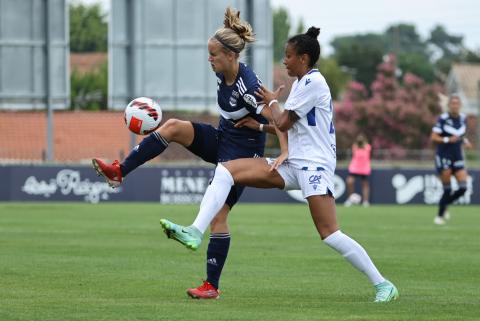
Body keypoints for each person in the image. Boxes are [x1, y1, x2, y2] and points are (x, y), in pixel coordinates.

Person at [160, 27, 399, 302]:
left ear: (304, 59)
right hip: (293, 162)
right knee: (226, 169)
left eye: (288, 56)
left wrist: (272, 101)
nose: (284, 61)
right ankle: (194, 231)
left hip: (314, 167)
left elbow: (283, 121)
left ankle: (383, 284)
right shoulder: (302, 84)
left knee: (330, 234)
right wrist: (259, 127)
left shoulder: (314, 83)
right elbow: (290, 127)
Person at [92, 7, 283, 299]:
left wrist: (277, 145)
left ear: (231, 56)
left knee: (219, 217)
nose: (210, 59)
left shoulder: (249, 86)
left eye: (214, 54)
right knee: (174, 127)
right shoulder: (224, 73)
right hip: (222, 139)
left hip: (242, 158)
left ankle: (211, 286)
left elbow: (280, 121)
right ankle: (119, 172)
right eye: (209, 53)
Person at [430, 94, 472, 225]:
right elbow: (433, 137)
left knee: (463, 187)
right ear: (449, 105)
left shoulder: (463, 119)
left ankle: (445, 203)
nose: (455, 105)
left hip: (457, 156)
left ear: (460, 105)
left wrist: (465, 141)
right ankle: (440, 216)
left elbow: (461, 135)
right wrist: (447, 139)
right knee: (447, 189)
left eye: (457, 103)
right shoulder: (443, 119)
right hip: (444, 156)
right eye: (452, 103)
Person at [344, 134, 372, 207]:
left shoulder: (367, 147)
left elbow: (364, 147)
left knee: (365, 184)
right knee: (349, 181)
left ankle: (365, 201)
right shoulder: (355, 146)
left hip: (364, 168)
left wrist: (363, 143)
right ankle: (350, 199)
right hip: (355, 167)